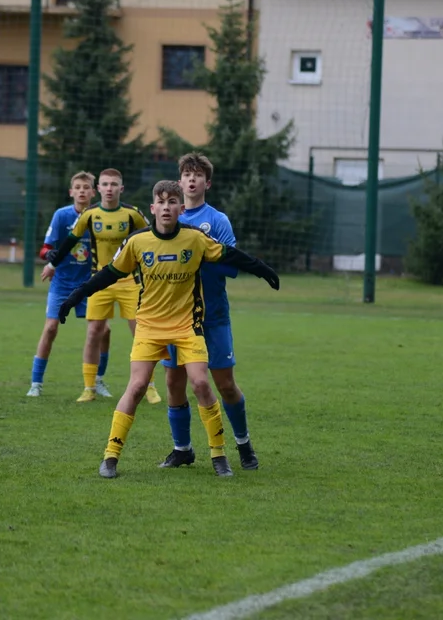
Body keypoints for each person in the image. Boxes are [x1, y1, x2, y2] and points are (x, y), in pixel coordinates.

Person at [57, 180, 279, 479]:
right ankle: (110, 456)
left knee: (200, 383)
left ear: (180, 208)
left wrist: (263, 269)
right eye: (161, 202)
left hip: (188, 326)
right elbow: (109, 273)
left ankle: (219, 455)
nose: (166, 207)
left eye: (172, 202)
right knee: (136, 387)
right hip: (149, 327)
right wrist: (75, 297)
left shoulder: (195, 238)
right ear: (153, 208)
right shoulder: (137, 241)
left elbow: (230, 255)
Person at [160, 153, 258, 471]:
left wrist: (197, 257)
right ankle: (182, 449)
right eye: (187, 174)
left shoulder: (217, 220)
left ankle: (243, 444)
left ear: (207, 183)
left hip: (212, 316)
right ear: (179, 181)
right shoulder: (168, 217)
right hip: (173, 316)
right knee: (174, 382)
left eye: (198, 175)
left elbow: (231, 267)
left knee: (224, 384)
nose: (192, 179)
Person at [45, 168, 160, 403]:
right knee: (94, 332)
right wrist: (53, 264)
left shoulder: (133, 214)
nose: (109, 188)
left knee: (141, 333)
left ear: (121, 188)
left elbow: (152, 238)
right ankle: (89, 388)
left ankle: (149, 385)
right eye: (105, 184)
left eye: (114, 184)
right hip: (99, 281)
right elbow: (69, 242)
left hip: (129, 281)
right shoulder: (89, 214)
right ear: (99, 189)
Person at [27, 171, 107, 396]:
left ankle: (97, 381)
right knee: (51, 328)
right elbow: (45, 248)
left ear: (93, 191)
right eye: (78, 187)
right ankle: (36, 383)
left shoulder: (100, 216)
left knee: (104, 331)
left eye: (86, 187)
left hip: (90, 284)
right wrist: (49, 257)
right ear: (71, 191)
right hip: (62, 283)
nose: (82, 191)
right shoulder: (61, 216)